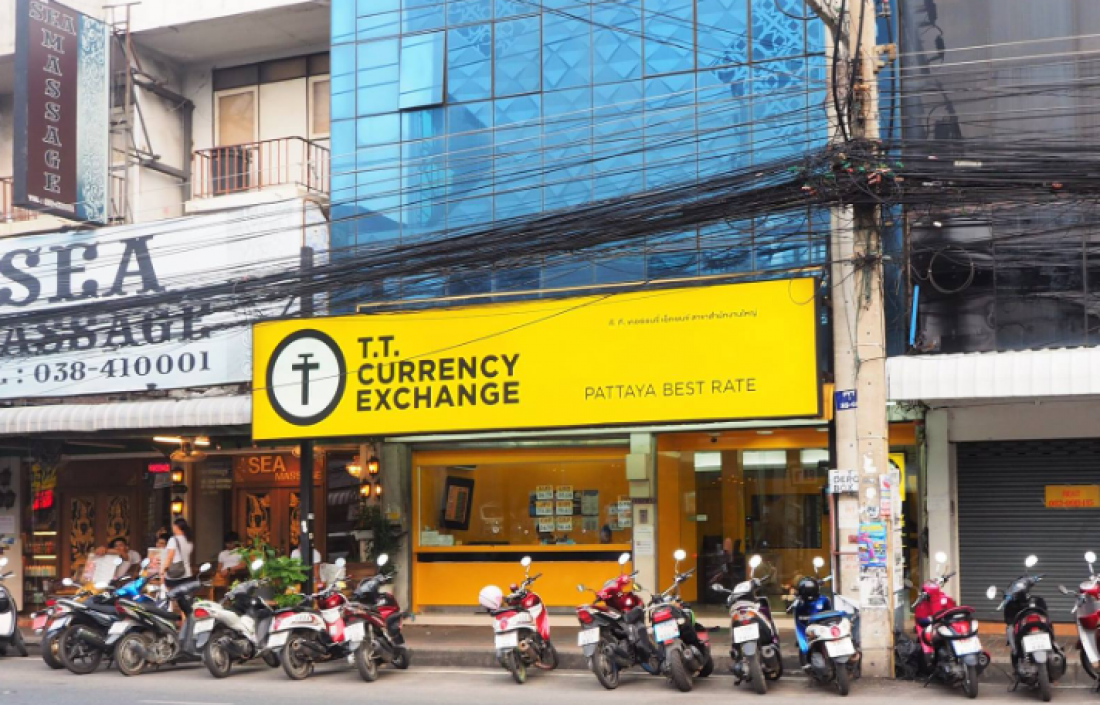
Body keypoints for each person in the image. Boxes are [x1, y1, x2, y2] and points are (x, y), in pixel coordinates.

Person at [161, 518, 194, 590]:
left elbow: (169, 557)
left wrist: (162, 570)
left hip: (174, 575)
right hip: (187, 573)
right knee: (183, 596)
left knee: (172, 595)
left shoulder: (173, 540)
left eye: (173, 526)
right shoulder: (189, 540)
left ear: (176, 527)